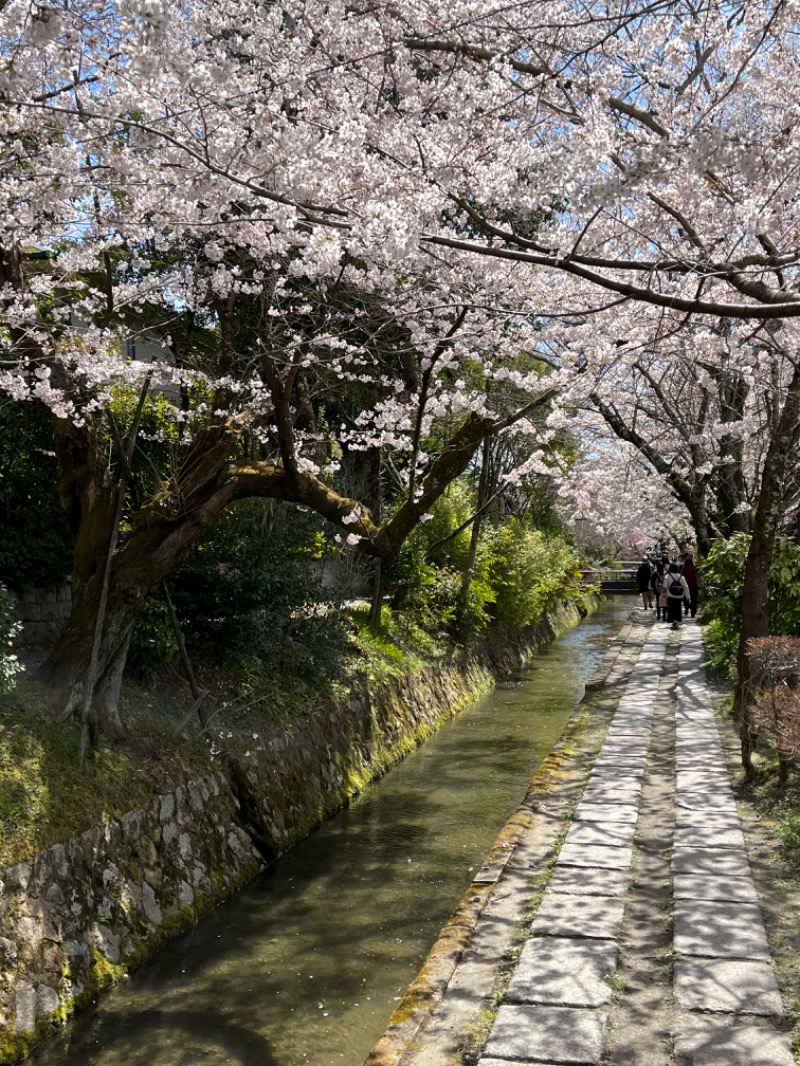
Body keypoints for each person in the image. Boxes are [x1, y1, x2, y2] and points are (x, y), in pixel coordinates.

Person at [664, 562, 690, 630]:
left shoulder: (668, 576)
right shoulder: (681, 577)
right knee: (678, 609)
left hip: (670, 596)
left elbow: (665, 586)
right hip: (679, 596)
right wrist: (687, 596)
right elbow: (686, 587)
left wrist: (664, 593)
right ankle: (676, 621)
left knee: (671, 609)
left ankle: (674, 621)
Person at [681, 552, 699, 618]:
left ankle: (693, 612)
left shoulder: (694, 566)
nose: (689, 557)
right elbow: (681, 575)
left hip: (694, 586)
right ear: (685, 557)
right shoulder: (683, 566)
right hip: (685, 586)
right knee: (685, 599)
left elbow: (697, 576)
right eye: (687, 556)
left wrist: (698, 583)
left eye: (690, 556)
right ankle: (686, 607)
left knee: (694, 599)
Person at [650, 556, 666, 620]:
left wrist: (654, 589)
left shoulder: (655, 574)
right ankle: (664, 616)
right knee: (664, 602)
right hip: (664, 590)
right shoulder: (665, 573)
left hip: (657, 590)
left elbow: (652, 583)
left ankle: (658, 615)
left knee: (658, 602)